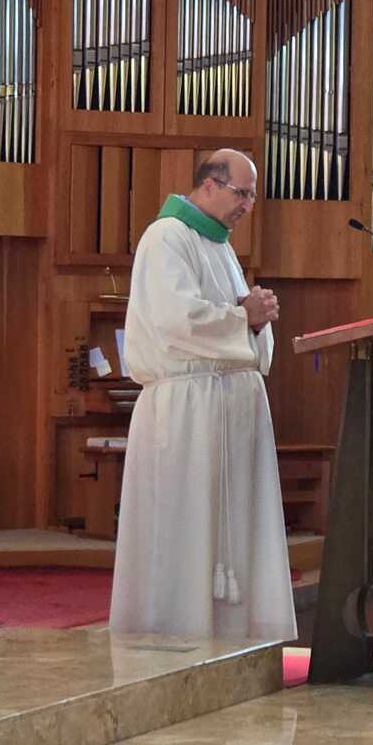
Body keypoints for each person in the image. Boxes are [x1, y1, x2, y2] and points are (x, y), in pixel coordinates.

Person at [110, 149, 298, 641]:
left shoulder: (220, 247)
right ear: (210, 184)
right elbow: (176, 320)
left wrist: (253, 315)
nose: (249, 206)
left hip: (228, 408)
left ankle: (233, 637)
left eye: (253, 196)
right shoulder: (167, 237)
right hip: (187, 410)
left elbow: (233, 324)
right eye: (243, 193)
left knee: (234, 530)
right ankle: (176, 635)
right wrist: (243, 316)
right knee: (186, 529)